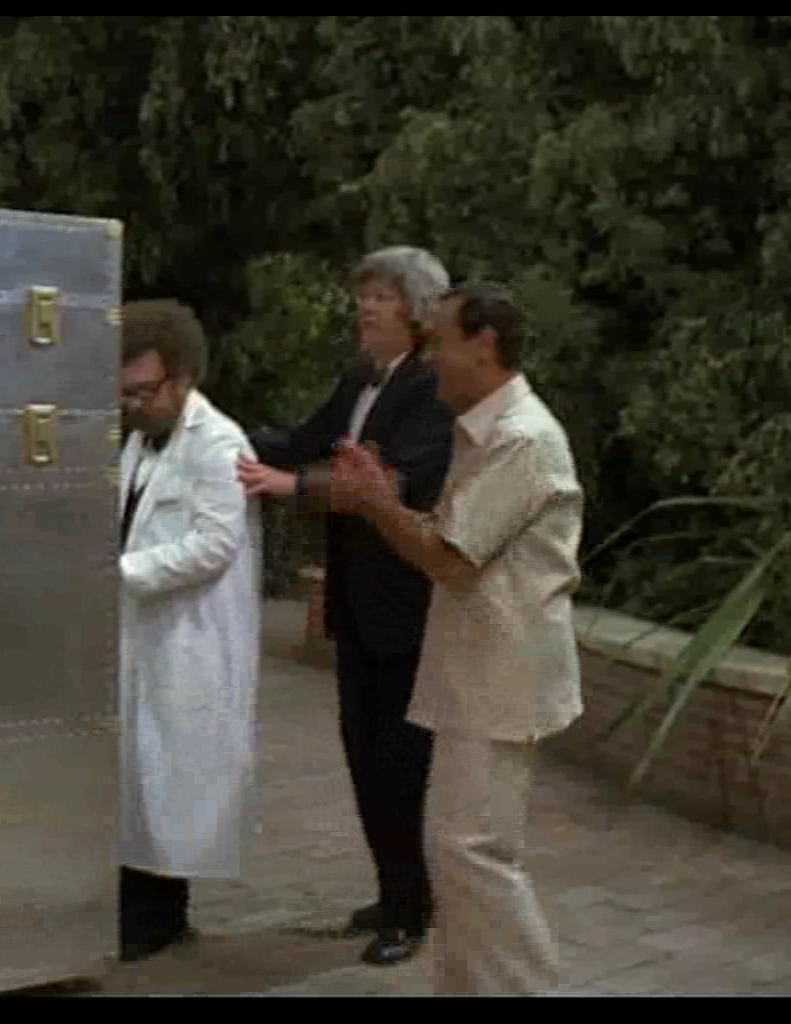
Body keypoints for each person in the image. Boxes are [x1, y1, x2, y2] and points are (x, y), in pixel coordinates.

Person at [325, 282, 583, 994]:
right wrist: (386, 497)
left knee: (476, 853)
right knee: (456, 849)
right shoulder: (486, 431)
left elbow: (447, 555)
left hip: (503, 677)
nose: (430, 356)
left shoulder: (521, 439)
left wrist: (375, 502)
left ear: (484, 344)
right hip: (475, 673)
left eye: (439, 340)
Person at [236, 246, 455, 966]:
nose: (365, 308)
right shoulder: (360, 378)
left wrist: (294, 488)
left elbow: (399, 481)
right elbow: (298, 442)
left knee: (400, 762)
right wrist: (214, 428)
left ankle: (411, 913)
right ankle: (391, 893)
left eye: (383, 296)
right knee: (363, 755)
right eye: (364, 295)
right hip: (356, 602)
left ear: (418, 312)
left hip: (405, 604)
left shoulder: (429, 387)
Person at [115, 299, 263, 962]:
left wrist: (119, 572)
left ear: (182, 378)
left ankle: (161, 916)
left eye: (143, 391)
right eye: (124, 393)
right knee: (137, 774)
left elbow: (213, 544)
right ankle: (134, 903)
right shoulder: (141, 439)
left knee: (172, 777)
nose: (132, 405)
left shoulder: (219, 444)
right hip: (143, 632)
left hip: (189, 640)